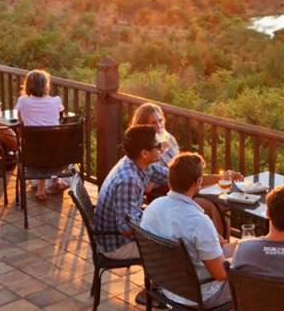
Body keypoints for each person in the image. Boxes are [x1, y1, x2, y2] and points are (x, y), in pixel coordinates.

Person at [141, 152, 236, 309]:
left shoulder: (153, 207)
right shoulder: (198, 222)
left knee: (236, 248)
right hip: (198, 295)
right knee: (252, 276)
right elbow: (220, 274)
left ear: (170, 181)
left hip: (168, 286)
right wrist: (242, 260)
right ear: (198, 182)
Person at [129, 102, 234, 235]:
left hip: (184, 187)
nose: (159, 126)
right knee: (212, 206)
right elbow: (148, 187)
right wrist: (160, 152)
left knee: (221, 202)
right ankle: (216, 248)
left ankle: (220, 244)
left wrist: (221, 177)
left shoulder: (170, 140)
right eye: (153, 123)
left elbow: (184, 172)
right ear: (143, 126)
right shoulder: (145, 151)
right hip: (165, 197)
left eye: (160, 121)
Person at [94, 125, 168, 307]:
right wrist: (160, 230)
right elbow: (127, 230)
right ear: (145, 153)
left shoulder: (138, 164)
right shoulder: (129, 180)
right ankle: (151, 294)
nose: (161, 149)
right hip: (115, 244)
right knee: (171, 248)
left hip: (116, 233)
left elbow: (175, 177)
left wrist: (218, 179)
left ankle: (161, 289)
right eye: (157, 147)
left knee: (169, 234)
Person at [15, 69, 65, 200]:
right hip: (57, 153)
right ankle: (56, 180)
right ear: (45, 86)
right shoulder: (56, 101)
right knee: (51, 139)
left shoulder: (22, 101)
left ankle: (42, 188)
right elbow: (60, 117)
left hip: (31, 152)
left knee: (39, 143)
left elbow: (20, 120)